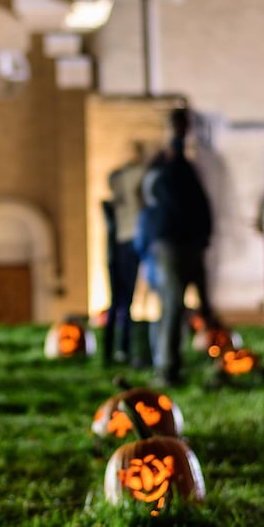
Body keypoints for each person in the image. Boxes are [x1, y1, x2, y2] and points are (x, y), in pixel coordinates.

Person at [143, 108, 217, 386]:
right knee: (173, 305)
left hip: (192, 243)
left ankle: (214, 360)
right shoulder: (164, 167)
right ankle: (167, 368)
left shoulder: (188, 164)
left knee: (203, 306)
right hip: (172, 244)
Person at [103, 143, 148, 366]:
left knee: (123, 304)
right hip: (124, 248)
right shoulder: (122, 205)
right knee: (121, 303)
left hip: (119, 250)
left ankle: (117, 350)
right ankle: (117, 350)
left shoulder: (117, 206)